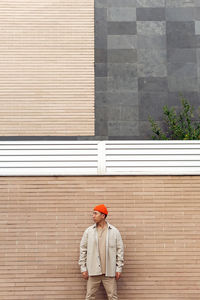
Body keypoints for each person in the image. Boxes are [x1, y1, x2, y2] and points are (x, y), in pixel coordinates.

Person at [79, 204, 124, 300]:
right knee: (90, 296)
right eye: (93, 213)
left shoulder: (114, 231)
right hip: (93, 270)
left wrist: (118, 268)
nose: (93, 216)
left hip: (109, 271)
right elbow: (83, 249)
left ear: (103, 216)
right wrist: (83, 268)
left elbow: (120, 251)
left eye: (95, 213)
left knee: (113, 297)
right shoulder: (89, 231)